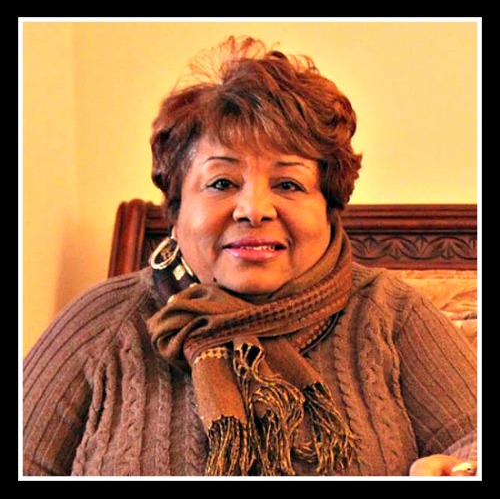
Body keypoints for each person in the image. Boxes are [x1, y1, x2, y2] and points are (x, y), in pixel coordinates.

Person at [23, 36, 477, 477]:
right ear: (176, 211)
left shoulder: (393, 315)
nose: (254, 210)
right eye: (221, 183)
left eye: (288, 184)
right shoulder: (100, 323)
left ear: (329, 209)